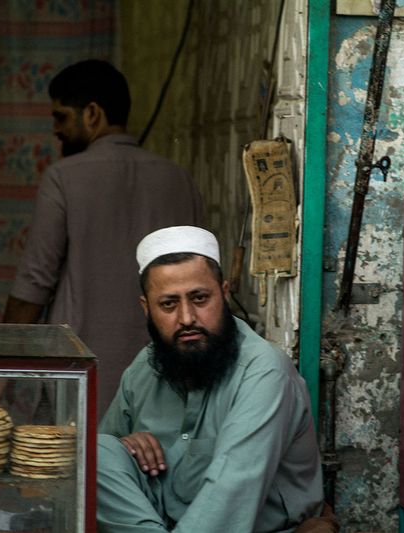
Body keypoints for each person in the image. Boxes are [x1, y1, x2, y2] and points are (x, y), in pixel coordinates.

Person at [2, 59, 204, 416]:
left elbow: (34, 283)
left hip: (80, 379)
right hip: (163, 380)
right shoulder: (178, 179)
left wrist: (2, 357)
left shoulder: (63, 178)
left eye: (61, 117)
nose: (56, 130)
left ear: (93, 114)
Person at [96, 226, 326, 532]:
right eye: (168, 304)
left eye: (200, 298)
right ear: (146, 308)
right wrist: (125, 446)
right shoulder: (145, 367)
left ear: (224, 294)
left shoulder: (264, 372)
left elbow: (231, 493)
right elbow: (102, 466)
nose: (187, 318)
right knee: (96, 452)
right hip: (159, 523)